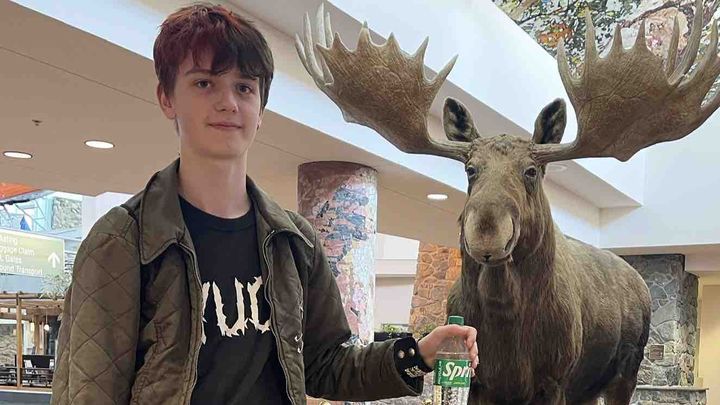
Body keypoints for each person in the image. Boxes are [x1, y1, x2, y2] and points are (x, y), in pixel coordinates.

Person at [50, 3, 478, 404]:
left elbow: (326, 363)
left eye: (244, 87)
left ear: (261, 109)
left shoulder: (293, 242)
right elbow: (87, 392)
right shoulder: (122, 240)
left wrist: (417, 354)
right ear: (167, 98)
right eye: (204, 83)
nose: (228, 103)